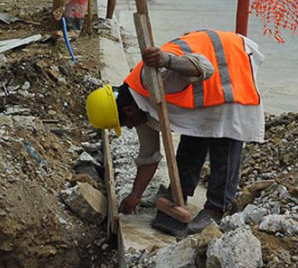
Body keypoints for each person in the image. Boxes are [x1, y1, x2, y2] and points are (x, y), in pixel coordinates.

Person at [85, 30, 265, 235]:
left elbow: (205, 67)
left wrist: (167, 60)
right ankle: (178, 193)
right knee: (192, 141)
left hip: (230, 65)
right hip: (206, 92)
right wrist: (135, 195)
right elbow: (148, 156)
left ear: (127, 110)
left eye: (125, 124)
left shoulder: (152, 78)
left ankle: (216, 209)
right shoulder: (139, 109)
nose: (129, 127)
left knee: (225, 143)